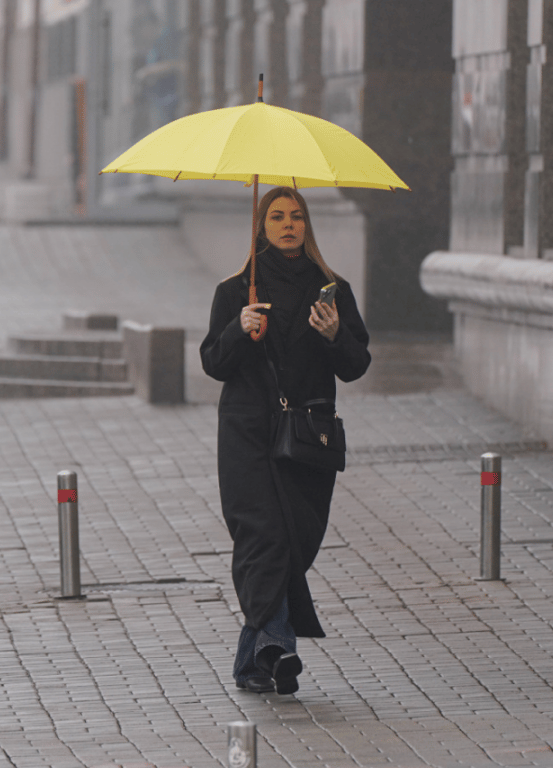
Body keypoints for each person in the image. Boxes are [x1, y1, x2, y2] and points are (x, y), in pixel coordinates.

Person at [199, 187, 371, 696]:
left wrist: (335, 334)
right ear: (262, 226)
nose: (288, 225)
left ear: (307, 225)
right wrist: (239, 328)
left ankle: (253, 661)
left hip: (307, 436)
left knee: (296, 539)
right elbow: (213, 362)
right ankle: (277, 645)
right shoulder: (236, 290)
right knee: (263, 537)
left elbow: (356, 365)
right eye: (276, 217)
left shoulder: (332, 290)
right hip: (247, 432)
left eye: (296, 216)